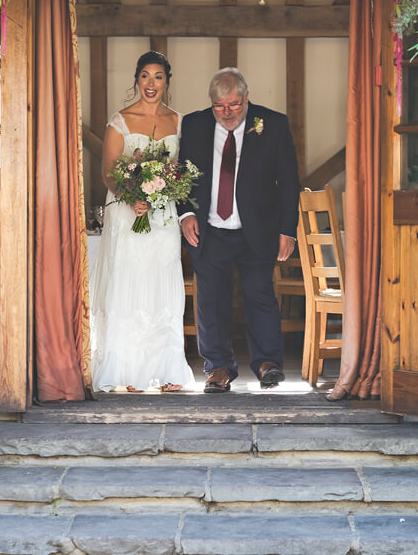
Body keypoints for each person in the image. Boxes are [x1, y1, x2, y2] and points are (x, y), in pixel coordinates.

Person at [178, 68, 300, 393]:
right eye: (220, 106)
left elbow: (289, 181)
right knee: (212, 299)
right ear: (211, 103)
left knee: (260, 294)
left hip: (257, 228)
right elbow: (182, 175)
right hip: (209, 228)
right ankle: (218, 368)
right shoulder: (193, 124)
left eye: (234, 105)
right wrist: (186, 213)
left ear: (247, 98)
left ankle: (266, 364)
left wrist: (288, 229)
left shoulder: (272, 124)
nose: (227, 113)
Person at [90, 51, 195, 393]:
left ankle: (167, 370)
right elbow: (108, 171)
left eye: (158, 77)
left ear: (167, 81)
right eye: (145, 76)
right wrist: (130, 195)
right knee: (129, 285)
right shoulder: (120, 120)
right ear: (137, 79)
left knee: (162, 284)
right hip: (127, 212)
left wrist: (166, 187)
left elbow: (181, 170)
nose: (151, 84)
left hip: (163, 218)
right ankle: (127, 371)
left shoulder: (179, 122)